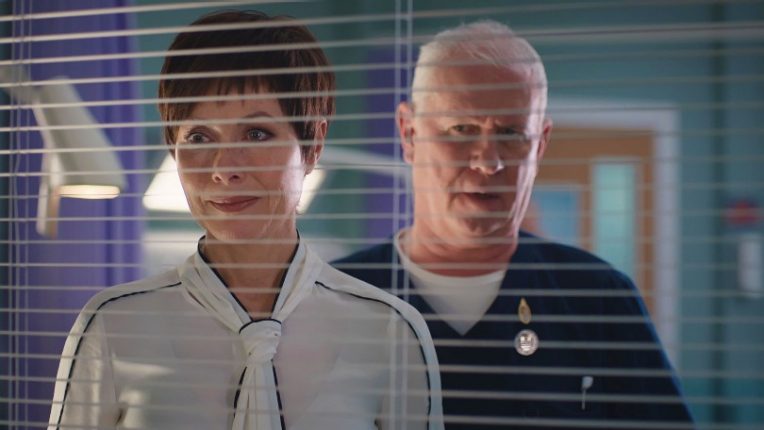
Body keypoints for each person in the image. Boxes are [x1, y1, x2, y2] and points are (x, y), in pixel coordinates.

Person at [48, 11, 442, 430]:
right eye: (199, 137)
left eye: (256, 133)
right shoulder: (113, 324)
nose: (224, 168)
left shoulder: (388, 331)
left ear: (312, 146)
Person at [333, 21, 694, 429]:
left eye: (510, 133)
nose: (489, 162)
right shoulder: (336, 298)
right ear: (409, 133)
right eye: (462, 129)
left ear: (540, 144)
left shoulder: (599, 299)